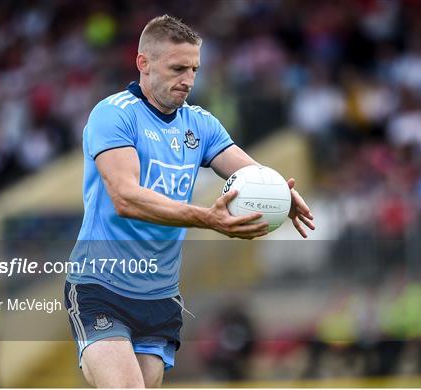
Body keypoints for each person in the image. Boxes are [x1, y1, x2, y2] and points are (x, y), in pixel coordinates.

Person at [65, 14, 315, 388]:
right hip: (101, 287)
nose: (188, 80)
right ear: (143, 64)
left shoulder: (200, 124)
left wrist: (281, 191)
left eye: (195, 69)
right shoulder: (113, 115)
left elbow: (249, 172)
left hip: (159, 295)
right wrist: (206, 218)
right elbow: (125, 198)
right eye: (178, 68)